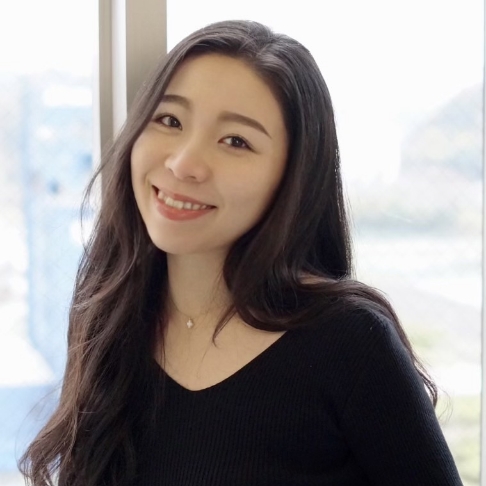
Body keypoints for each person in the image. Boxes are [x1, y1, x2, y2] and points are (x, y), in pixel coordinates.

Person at [19, 20, 463, 486]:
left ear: (291, 178)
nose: (183, 164)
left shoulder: (350, 342)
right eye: (170, 121)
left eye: (236, 141)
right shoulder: (108, 316)